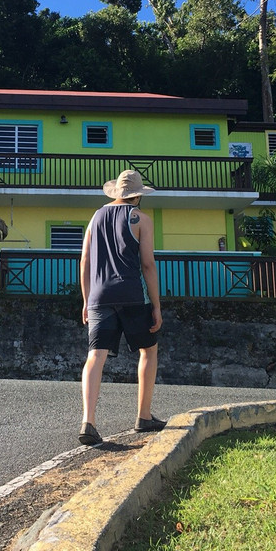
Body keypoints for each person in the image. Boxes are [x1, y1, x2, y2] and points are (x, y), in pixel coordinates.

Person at [78, 169, 165, 446]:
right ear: (137, 195)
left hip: (99, 297)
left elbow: (85, 261)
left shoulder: (96, 216)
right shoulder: (142, 219)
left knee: (95, 356)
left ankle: (88, 421)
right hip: (130, 294)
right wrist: (157, 306)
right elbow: (148, 265)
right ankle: (144, 415)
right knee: (148, 350)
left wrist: (86, 300)